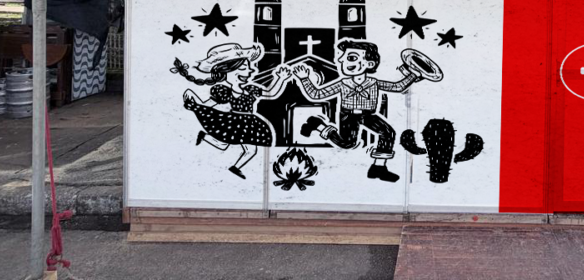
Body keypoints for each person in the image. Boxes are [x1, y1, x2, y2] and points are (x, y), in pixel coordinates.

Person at [294, 39, 420, 183]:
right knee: (347, 143)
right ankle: (318, 124)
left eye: (351, 58)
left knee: (387, 132)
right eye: (343, 58)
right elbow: (317, 95)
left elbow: (397, 87)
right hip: (348, 116)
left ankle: (378, 168)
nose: (342, 61)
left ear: (369, 64)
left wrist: (414, 75)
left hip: (368, 115)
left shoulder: (374, 83)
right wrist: (304, 79)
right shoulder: (343, 84)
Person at [172, 43, 290, 179]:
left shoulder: (250, 89)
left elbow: (271, 93)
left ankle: (233, 166)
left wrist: (281, 78)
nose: (251, 71)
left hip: (249, 123)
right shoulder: (223, 91)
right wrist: (194, 104)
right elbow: (207, 105)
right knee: (225, 146)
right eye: (244, 68)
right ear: (228, 71)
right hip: (232, 123)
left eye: (249, 67)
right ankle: (205, 137)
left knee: (250, 150)